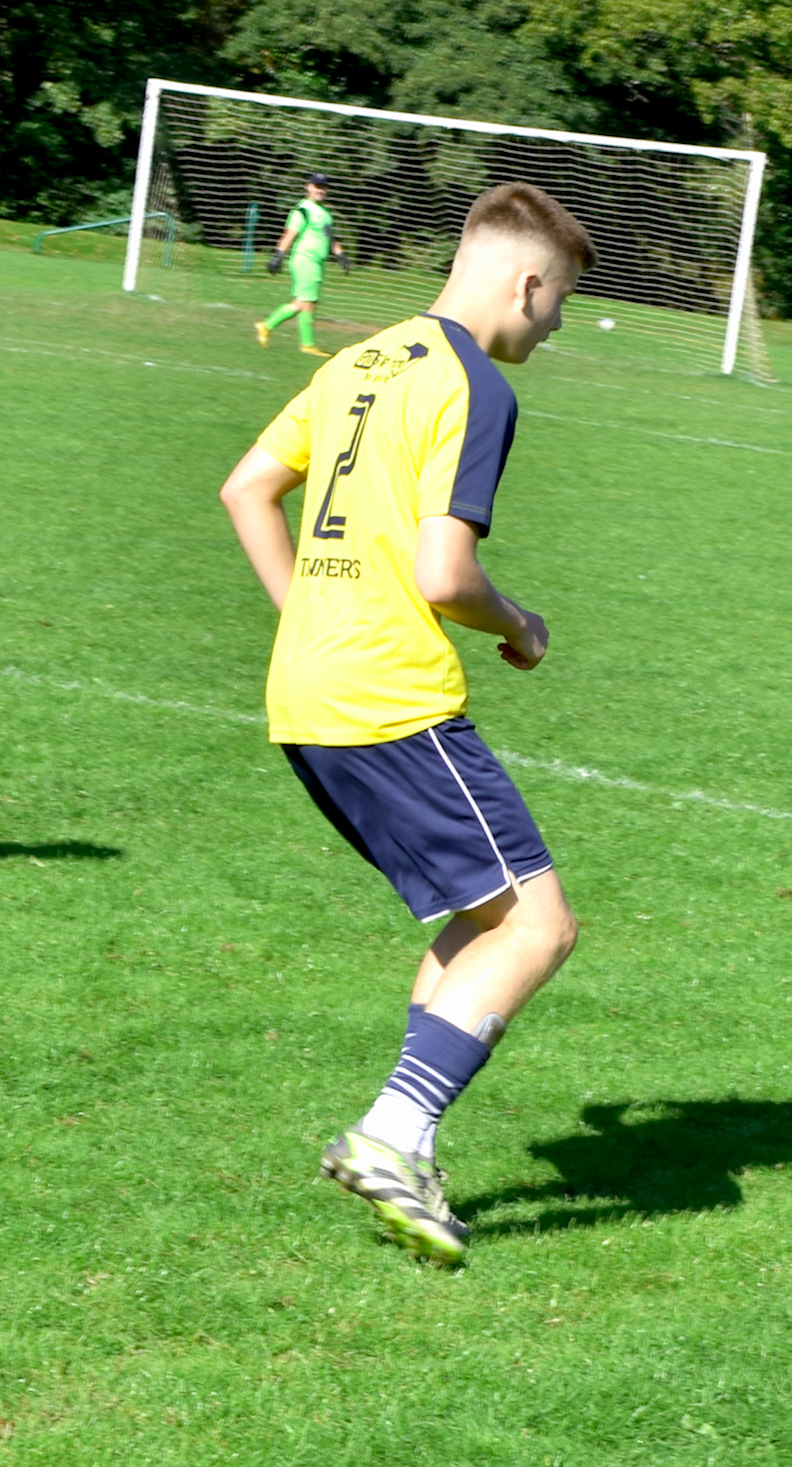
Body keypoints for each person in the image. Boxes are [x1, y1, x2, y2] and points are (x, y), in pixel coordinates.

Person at [217, 183, 596, 1265]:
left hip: (308, 692)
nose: (555, 325)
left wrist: (310, 617)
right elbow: (445, 574)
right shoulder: (475, 386)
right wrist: (517, 624)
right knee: (538, 924)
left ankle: (404, 1137)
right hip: (390, 696)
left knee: (481, 920)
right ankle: (393, 1131)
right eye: (558, 302)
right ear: (525, 282)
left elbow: (248, 489)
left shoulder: (356, 360)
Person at [256, 173, 346, 358]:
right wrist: (278, 255)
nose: (319, 190)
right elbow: (290, 233)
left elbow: (330, 237)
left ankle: (266, 326)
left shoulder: (325, 214)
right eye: (316, 186)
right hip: (305, 260)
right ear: (308, 187)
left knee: (301, 303)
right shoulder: (303, 209)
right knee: (308, 303)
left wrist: (341, 255)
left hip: (315, 263)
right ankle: (306, 344)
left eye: (322, 187)